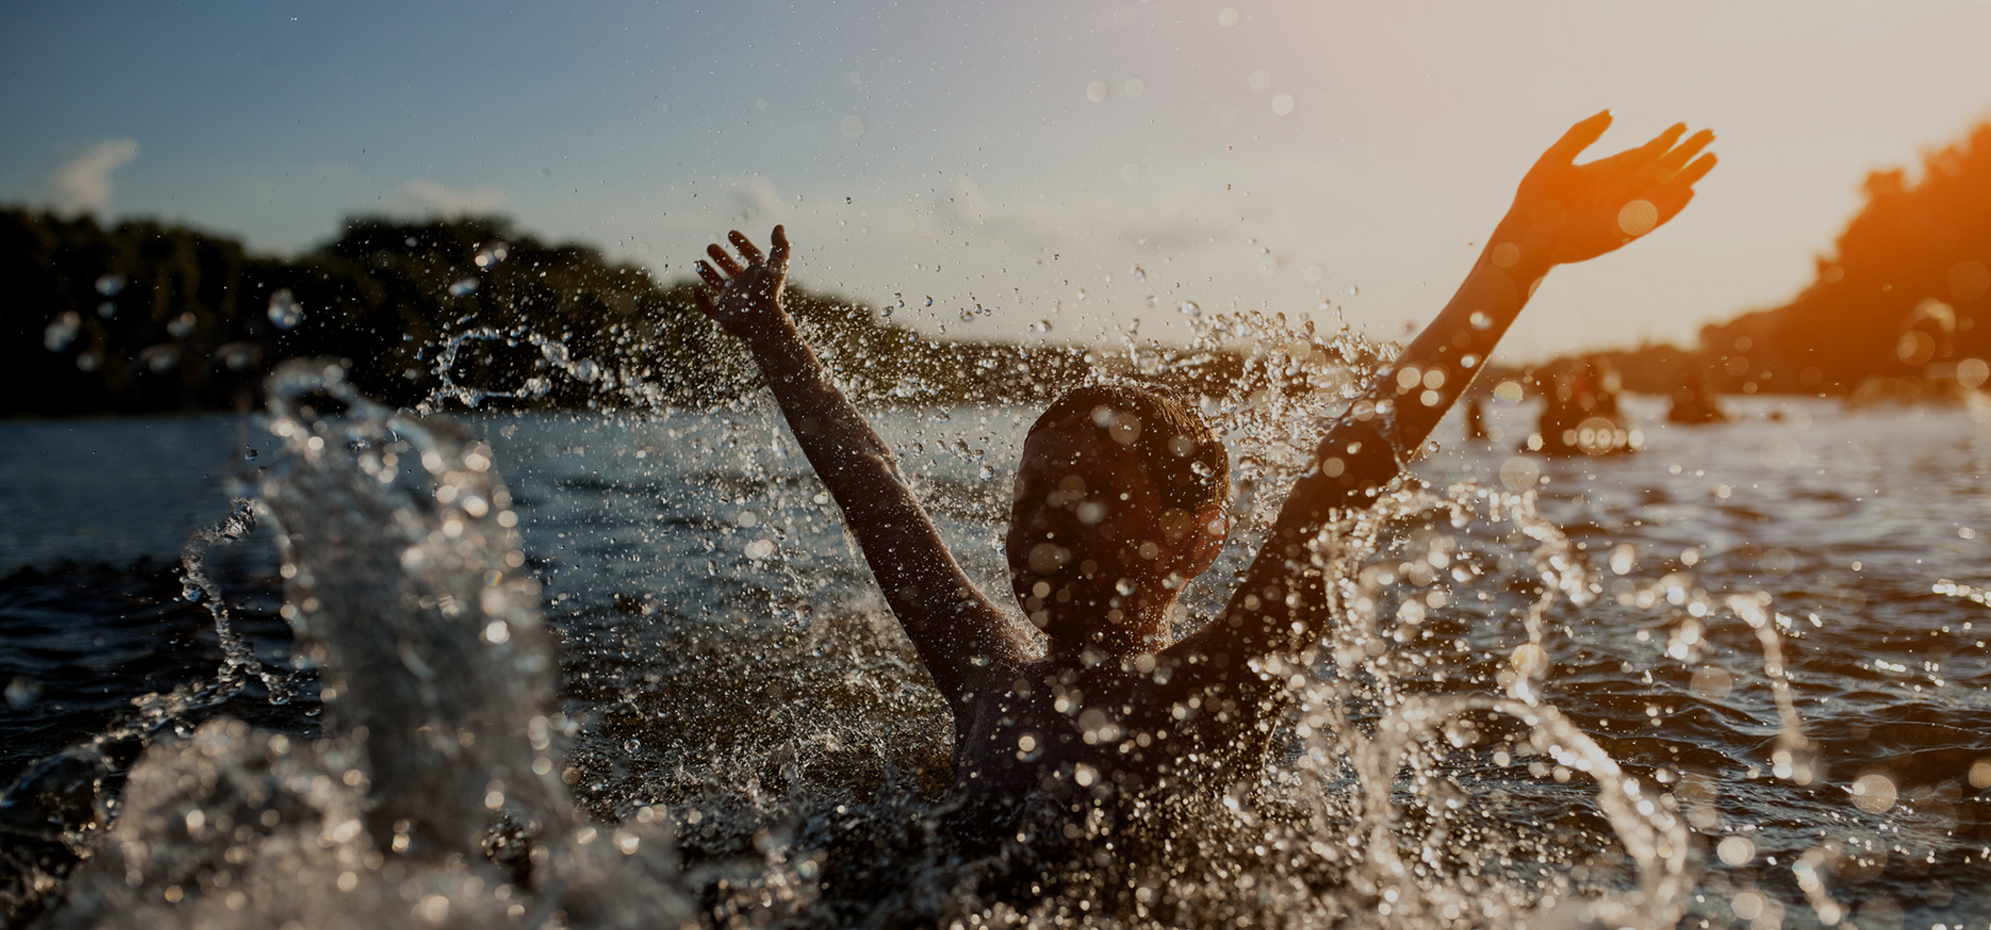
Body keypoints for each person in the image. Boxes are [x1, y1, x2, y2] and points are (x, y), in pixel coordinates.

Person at [692, 112, 1715, 849]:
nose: (1045, 521)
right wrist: (777, 338)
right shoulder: (983, 670)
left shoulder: (1219, 683)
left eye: (1089, 492)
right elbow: (874, 491)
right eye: (1031, 495)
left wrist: (1517, 259)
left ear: (1199, 540)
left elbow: (1344, 476)